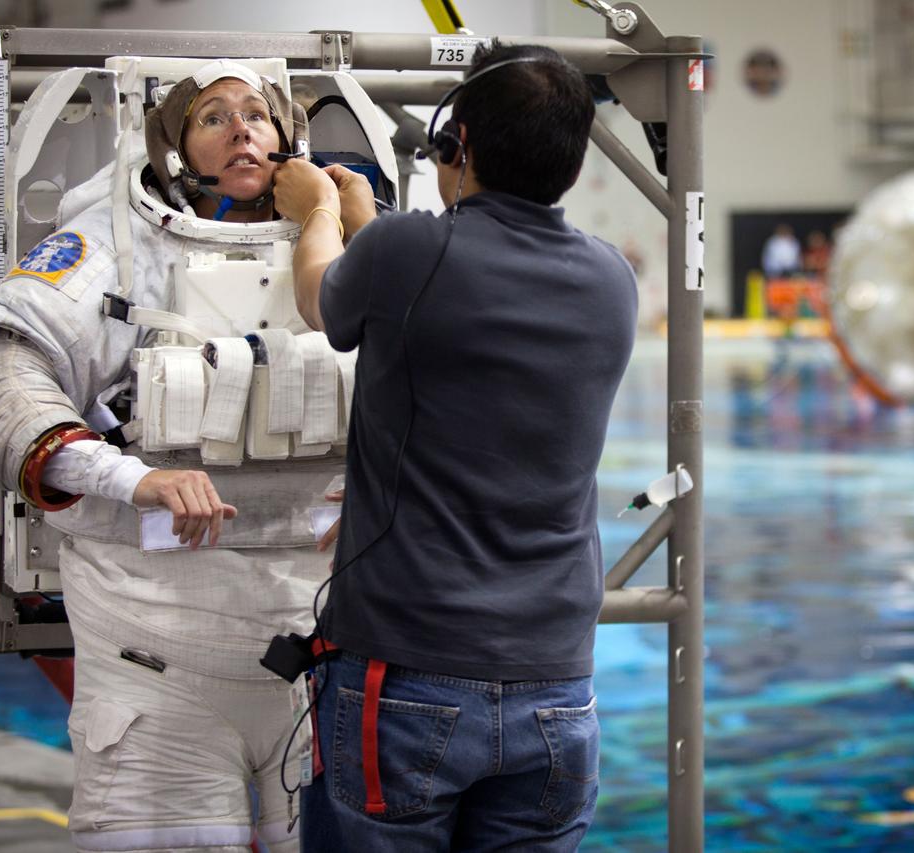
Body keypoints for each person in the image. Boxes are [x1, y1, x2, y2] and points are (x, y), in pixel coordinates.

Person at [0, 60, 340, 852]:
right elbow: (5, 390)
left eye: (258, 116)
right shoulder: (116, 245)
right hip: (157, 665)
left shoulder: (338, 253)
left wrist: (344, 215)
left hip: (315, 660)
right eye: (214, 117)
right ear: (173, 150)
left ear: (287, 137)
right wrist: (133, 478)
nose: (242, 128)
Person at [270, 40, 637, 851]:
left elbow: (322, 301)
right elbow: (438, 277)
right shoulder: (613, 280)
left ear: (456, 142)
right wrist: (370, 222)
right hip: (557, 691)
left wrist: (320, 212)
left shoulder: (408, 254)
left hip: (408, 678)